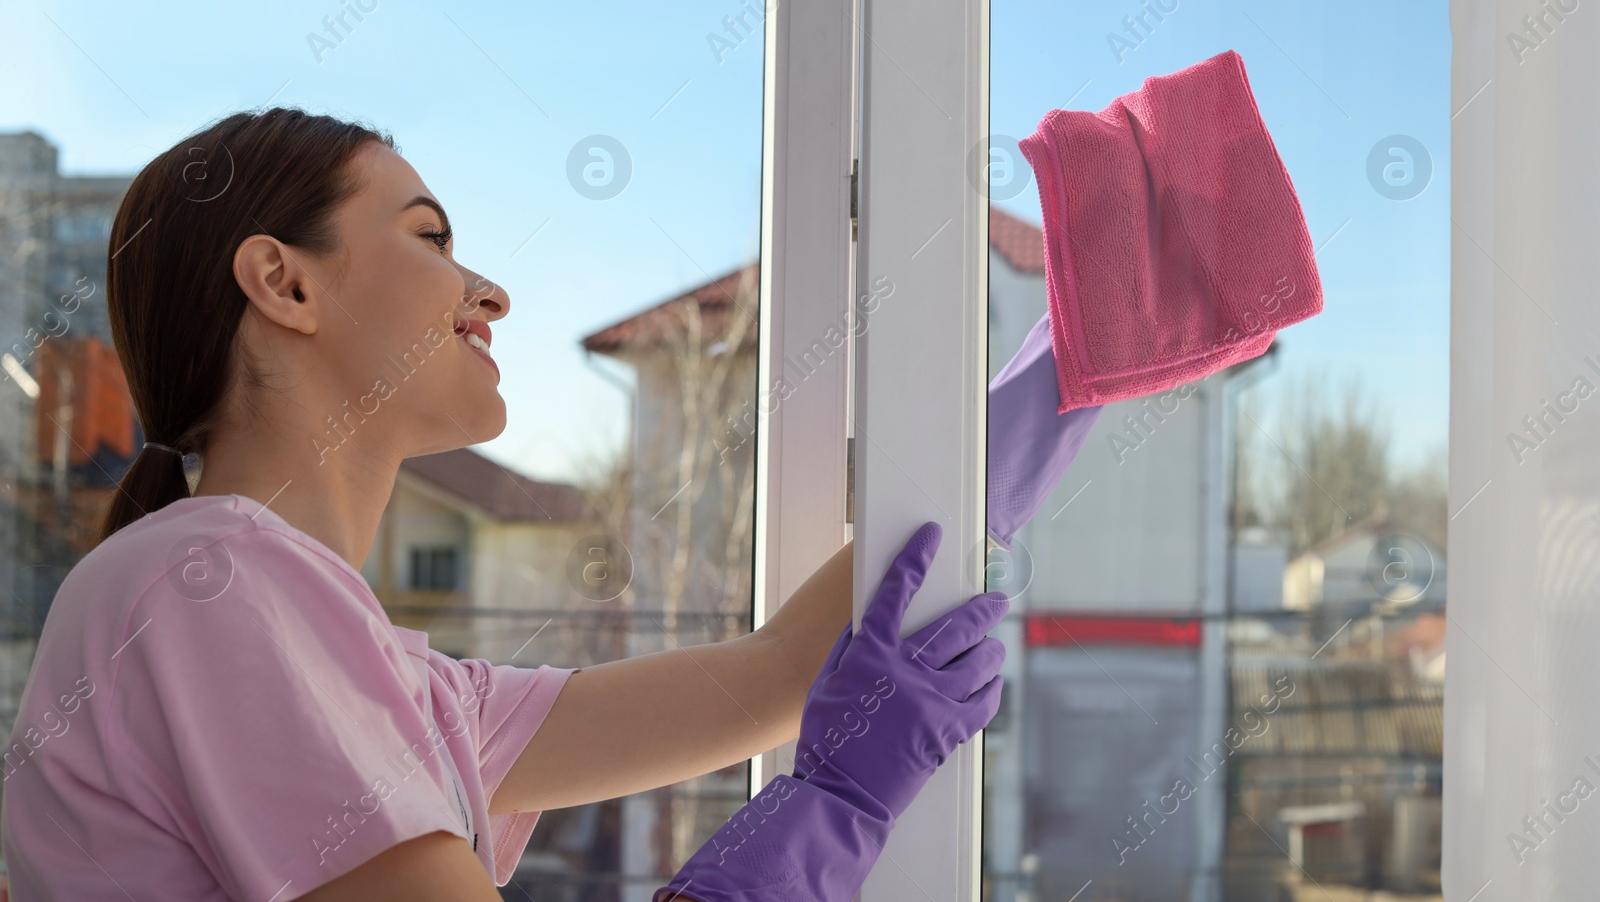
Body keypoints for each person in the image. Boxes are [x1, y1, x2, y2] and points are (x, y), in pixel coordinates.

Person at [0, 108, 1009, 901]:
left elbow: (777, 673)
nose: (489, 294)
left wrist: (1055, 384)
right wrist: (832, 806)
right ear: (283, 283)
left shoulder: (386, 677)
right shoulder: (206, 582)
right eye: (429, 235)